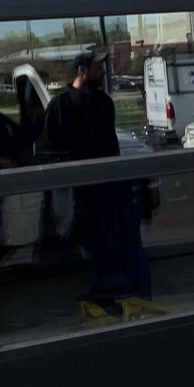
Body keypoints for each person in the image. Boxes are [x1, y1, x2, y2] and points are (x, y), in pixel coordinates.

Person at [42, 53, 161, 324]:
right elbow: (50, 148)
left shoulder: (103, 103)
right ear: (82, 70)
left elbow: (111, 147)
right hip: (76, 188)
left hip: (105, 186)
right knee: (84, 239)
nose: (103, 72)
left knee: (109, 239)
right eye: (98, 68)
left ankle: (112, 291)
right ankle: (100, 290)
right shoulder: (61, 105)